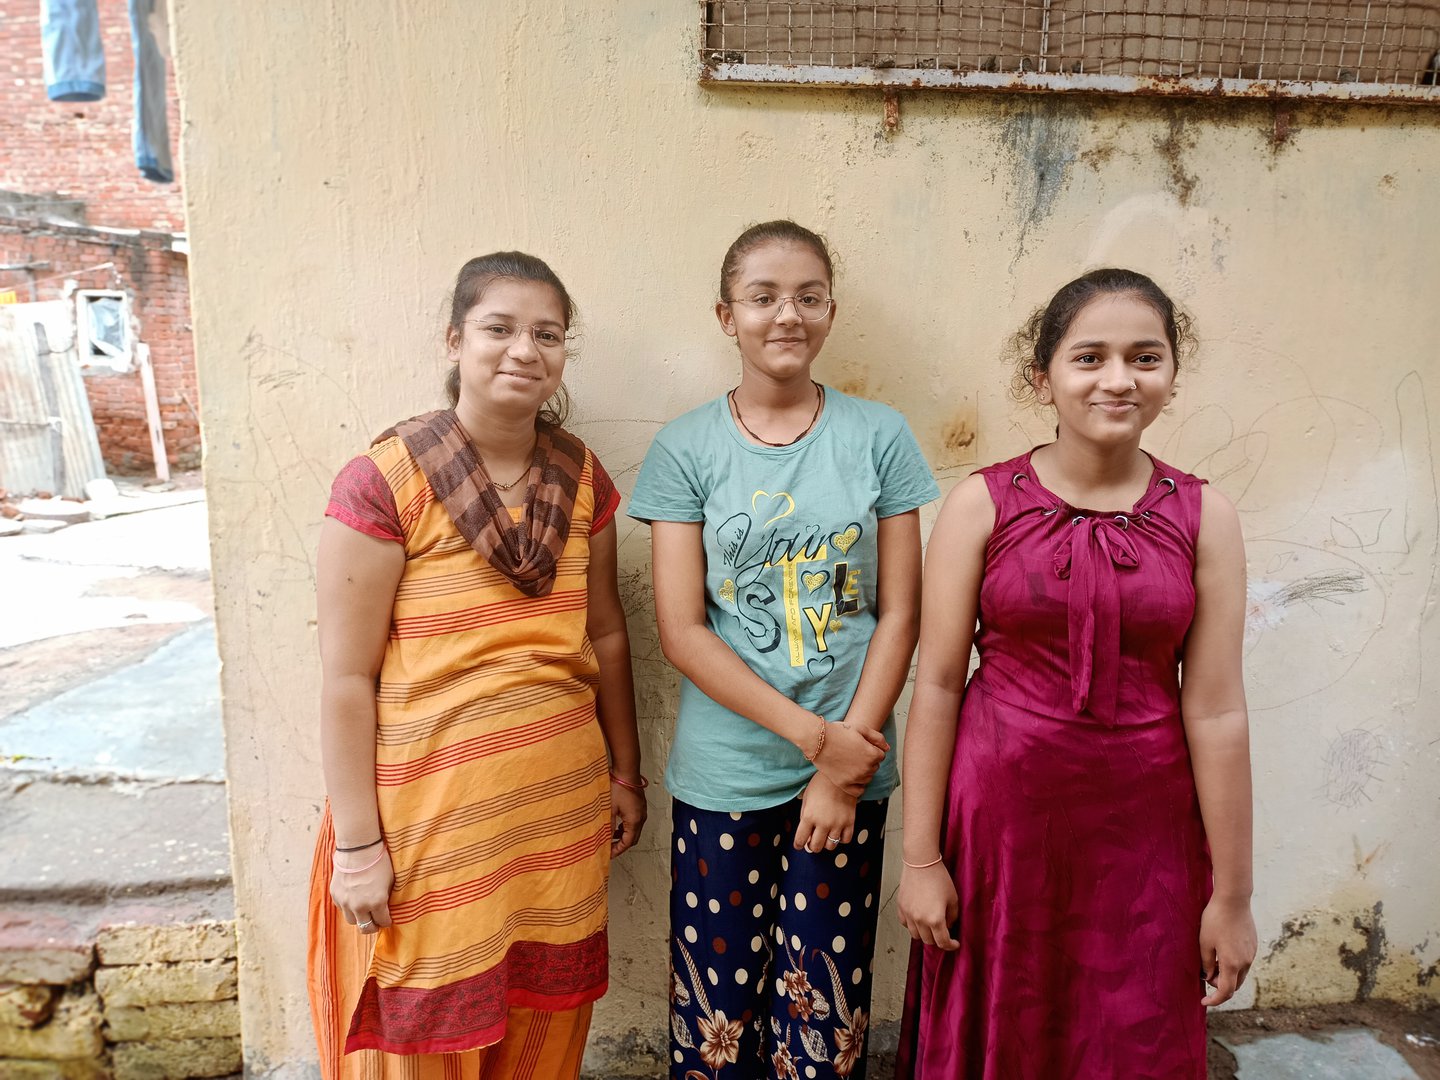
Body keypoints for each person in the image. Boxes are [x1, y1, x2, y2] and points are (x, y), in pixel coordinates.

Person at [895, 269, 1257, 1079]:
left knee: (1133, 1037)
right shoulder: (980, 506)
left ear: (1171, 372)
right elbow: (941, 684)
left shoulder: (1206, 518)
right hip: (1002, 834)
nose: (1119, 379)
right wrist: (921, 860)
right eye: (1089, 357)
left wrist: (1230, 897)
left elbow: (1218, 712)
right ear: (1044, 377)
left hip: (1150, 838)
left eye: (1145, 356)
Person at [305, 252, 647, 1080]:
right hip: (428, 828)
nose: (523, 350)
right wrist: (357, 847)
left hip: (557, 823)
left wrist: (627, 776)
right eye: (499, 328)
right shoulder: (386, 482)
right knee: (419, 1047)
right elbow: (346, 678)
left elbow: (604, 636)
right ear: (455, 339)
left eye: (547, 334)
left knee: (542, 1039)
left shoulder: (582, 481)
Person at [628, 220, 939, 1079]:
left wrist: (842, 768)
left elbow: (900, 614)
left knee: (821, 1010)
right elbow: (683, 632)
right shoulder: (686, 449)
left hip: (848, 772)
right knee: (717, 1013)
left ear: (831, 311)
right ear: (726, 316)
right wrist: (816, 743)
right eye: (763, 297)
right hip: (728, 775)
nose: (786, 315)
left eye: (807, 296)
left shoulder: (879, 437)